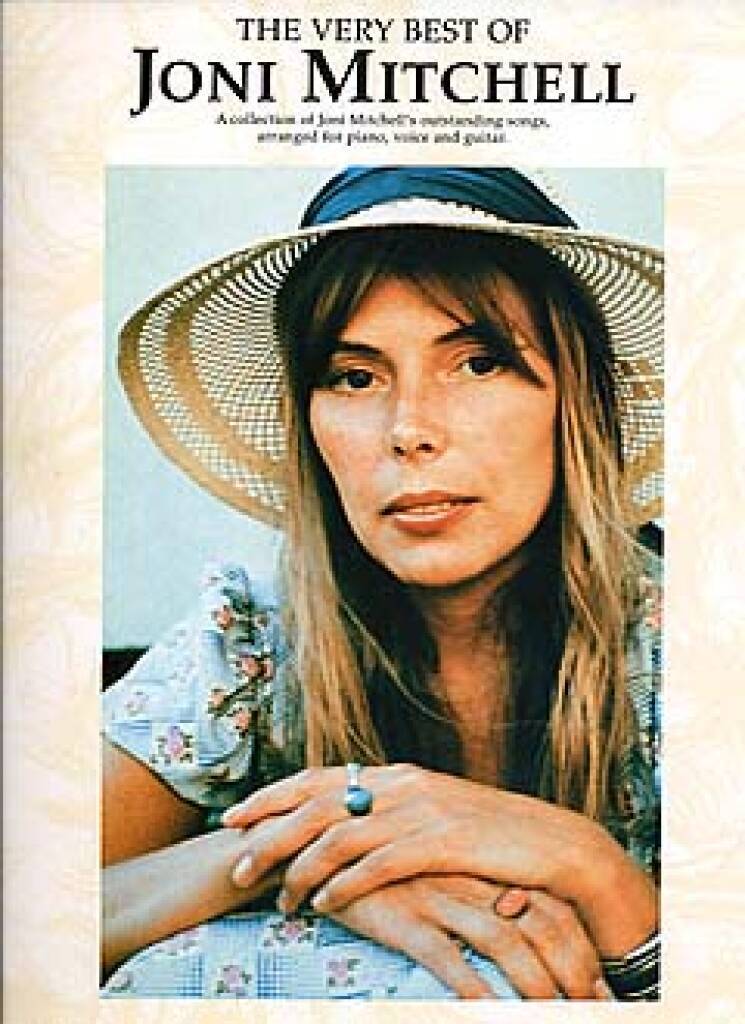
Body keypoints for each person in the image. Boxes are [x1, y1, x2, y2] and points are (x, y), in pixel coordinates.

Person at [102, 167, 662, 1000]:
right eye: (354, 377)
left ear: (573, 400)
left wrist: (590, 865)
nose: (408, 431)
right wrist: (304, 855)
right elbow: (42, 912)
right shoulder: (250, 640)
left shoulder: (686, 647)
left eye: (478, 363)